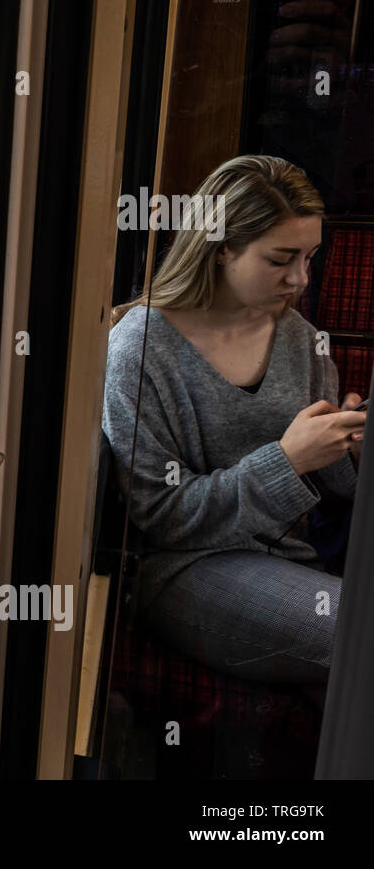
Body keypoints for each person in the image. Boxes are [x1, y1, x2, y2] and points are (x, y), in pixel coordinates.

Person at [103, 154, 364, 693]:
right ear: (220, 251)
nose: (300, 278)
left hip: (290, 558)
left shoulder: (299, 338)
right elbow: (160, 517)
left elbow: (330, 484)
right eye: (281, 259)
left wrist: (350, 447)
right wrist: (288, 461)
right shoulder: (141, 349)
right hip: (183, 570)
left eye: (310, 257)